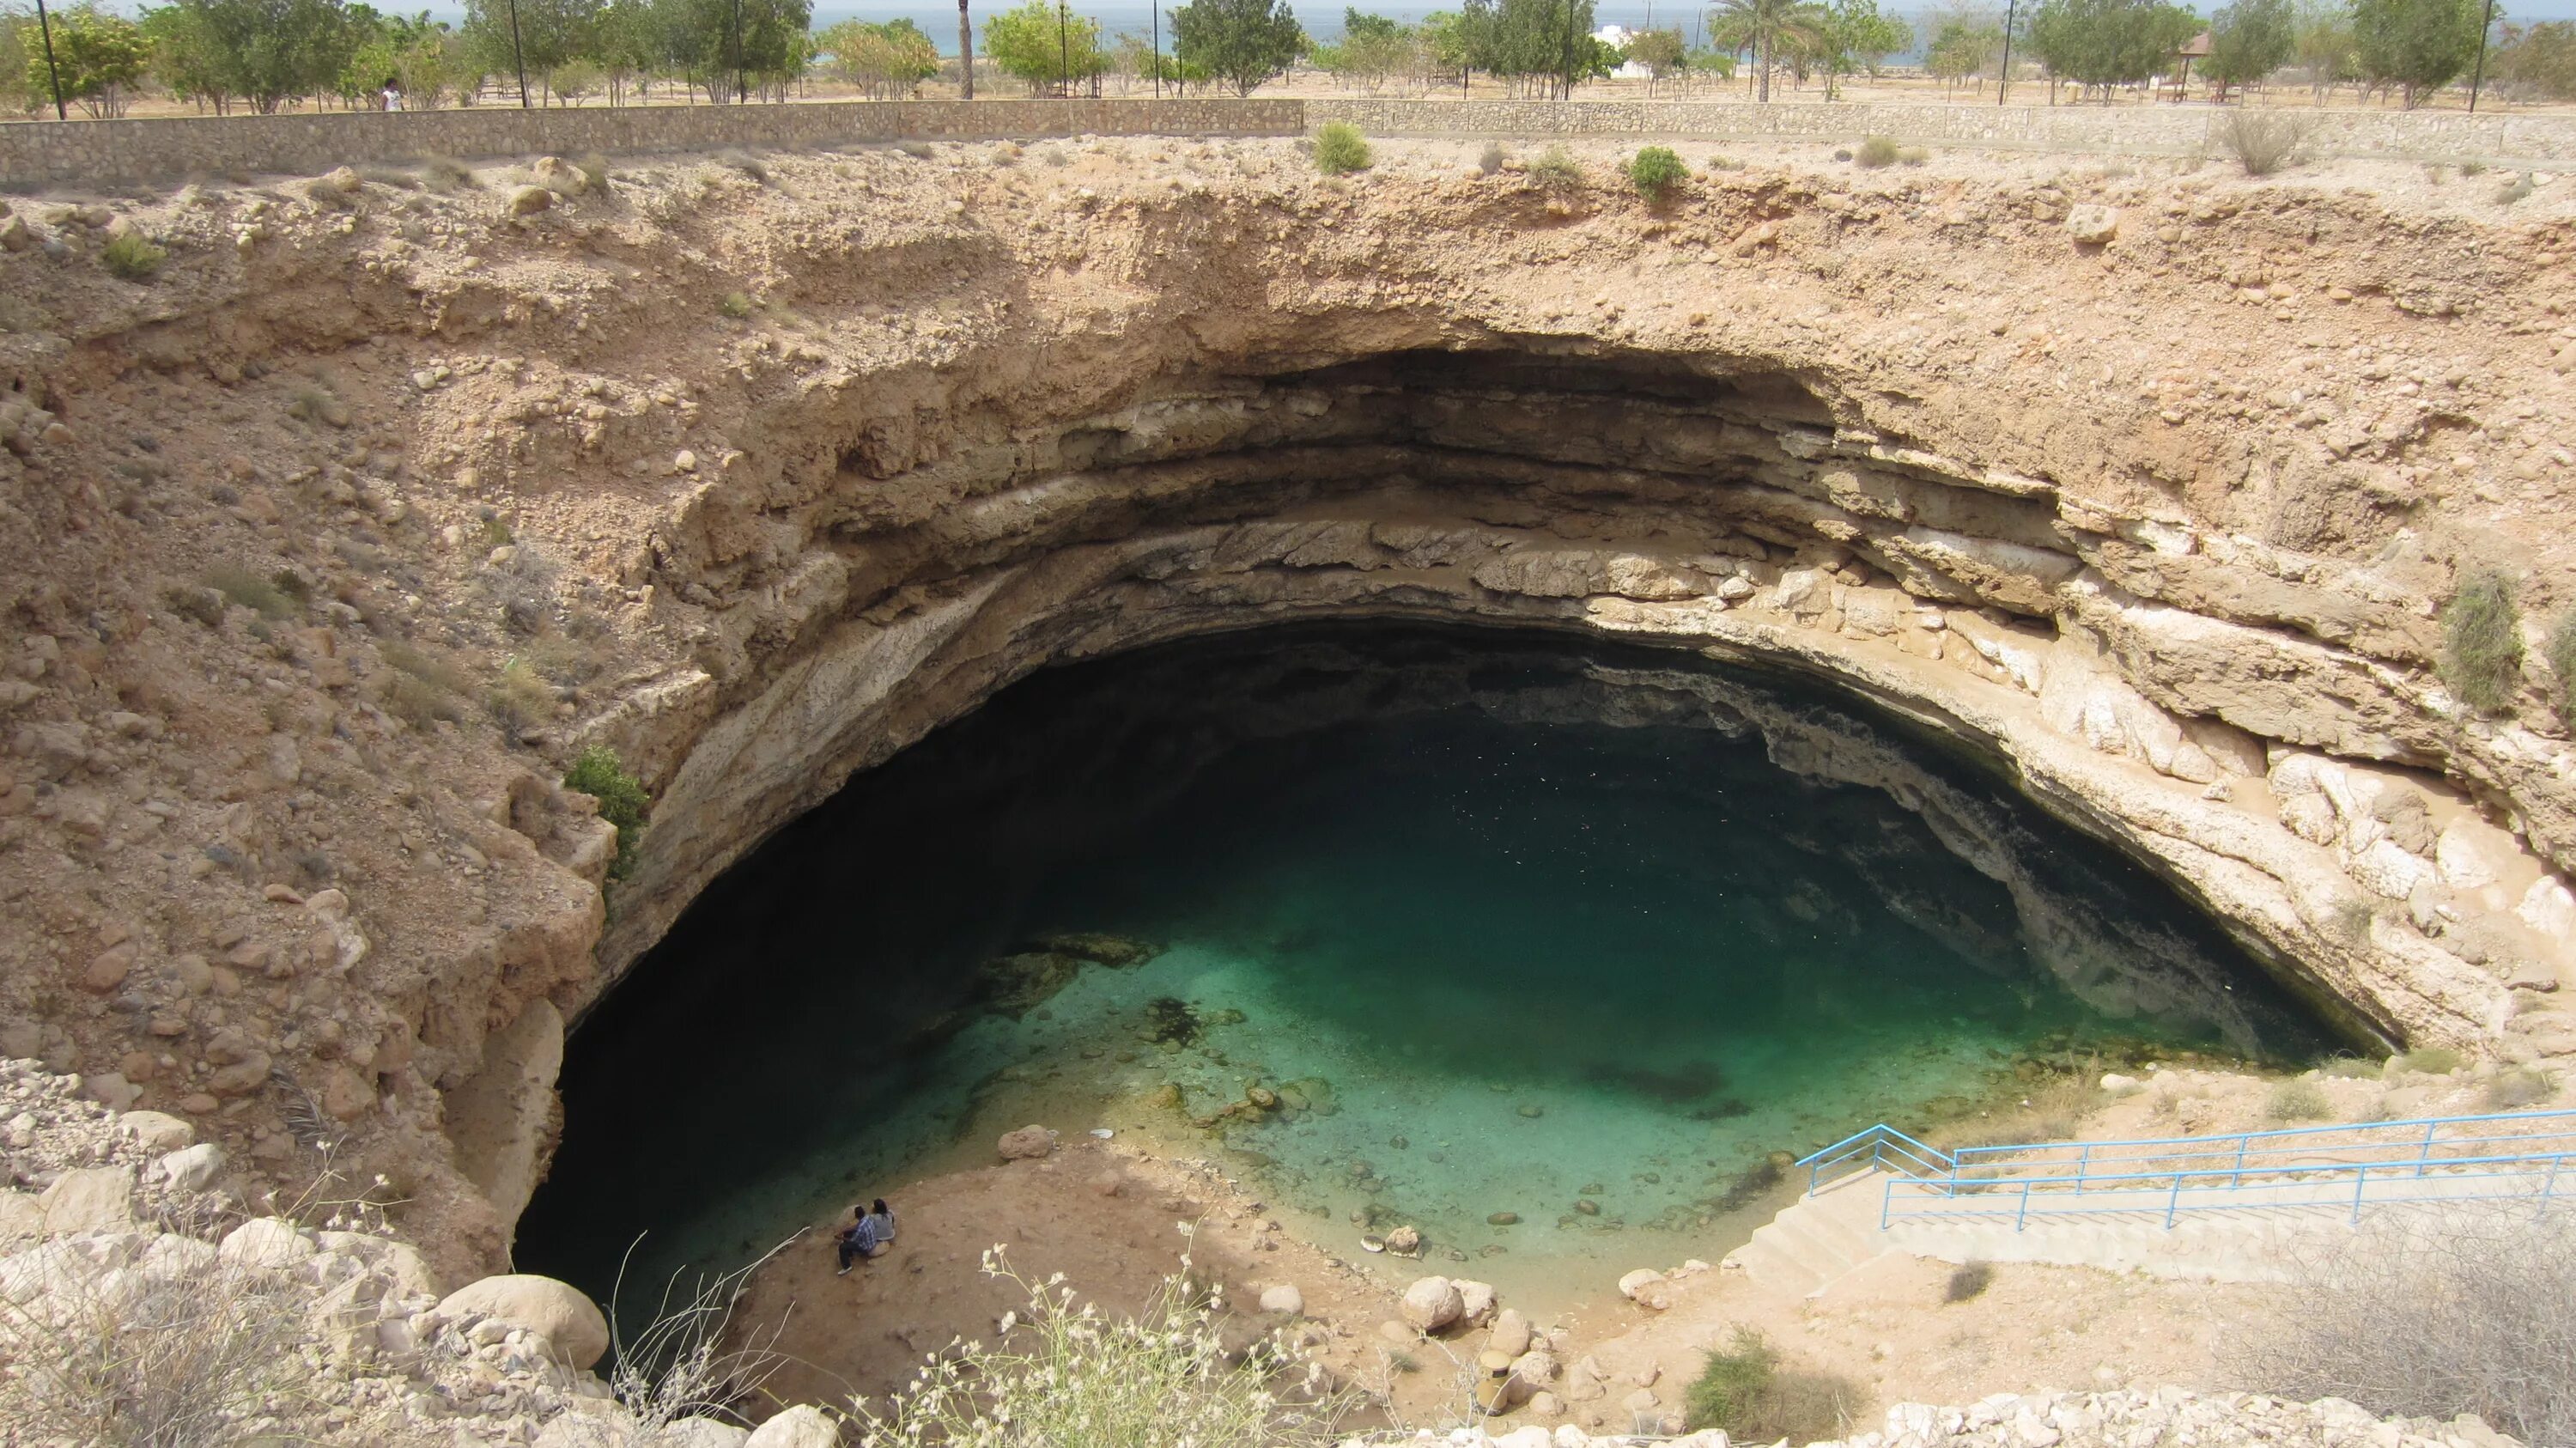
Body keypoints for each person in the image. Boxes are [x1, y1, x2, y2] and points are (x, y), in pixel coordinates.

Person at [834, 1202, 885, 1275]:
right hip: (872, 1240)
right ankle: (849, 1255)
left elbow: (853, 1241)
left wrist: (840, 1238)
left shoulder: (860, 1228)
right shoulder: (868, 1217)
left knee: (842, 1247)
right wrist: (845, 1230)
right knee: (847, 1233)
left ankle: (847, 1267)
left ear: (856, 1216)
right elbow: (857, 1226)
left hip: (866, 1247)